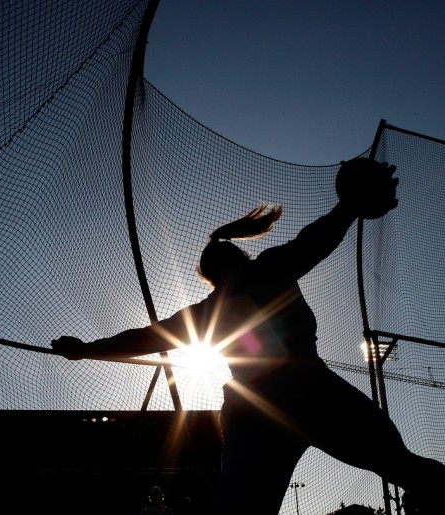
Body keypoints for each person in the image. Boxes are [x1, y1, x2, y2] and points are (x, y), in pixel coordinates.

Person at [51, 158, 445, 515]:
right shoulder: (260, 277)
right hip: (298, 394)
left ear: (212, 275)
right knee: (402, 465)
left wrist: (87, 350)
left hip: (263, 405)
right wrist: (348, 208)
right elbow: (315, 241)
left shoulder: (215, 307)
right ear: (239, 257)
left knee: (250, 512)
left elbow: (146, 338)